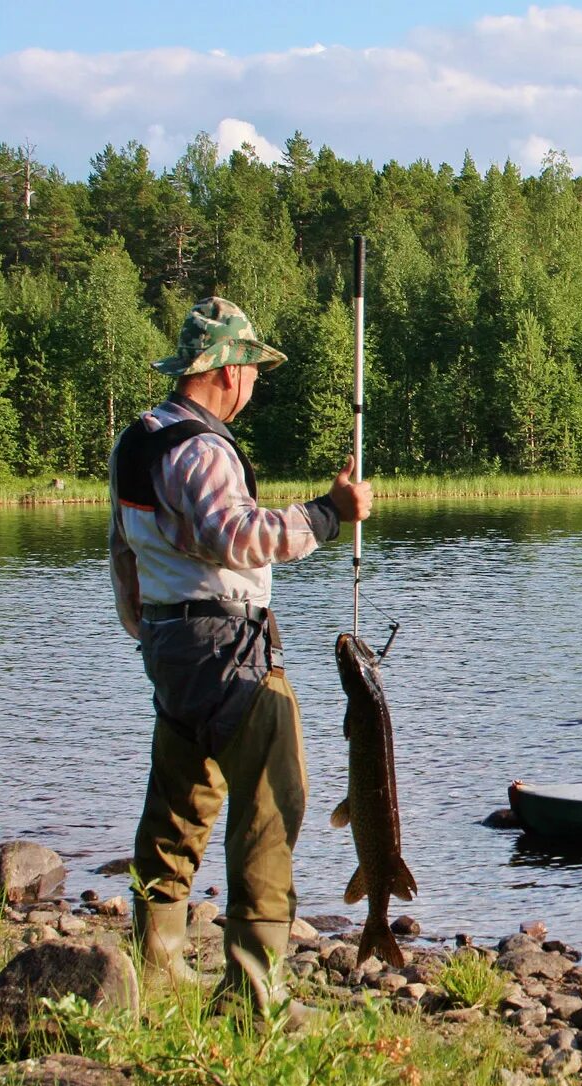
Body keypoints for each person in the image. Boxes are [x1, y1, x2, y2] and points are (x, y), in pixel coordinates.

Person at [109, 297, 371, 1011]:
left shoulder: (138, 438)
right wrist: (328, 512)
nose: (253, 382)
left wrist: (150, 635)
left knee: (178, 805)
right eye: (250, 367)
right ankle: (257, 995)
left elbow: (123, 555)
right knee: (271, 803)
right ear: (225, 370)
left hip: (170, 644)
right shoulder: (201, 446)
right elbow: (240, 535)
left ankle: (153, 961)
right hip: (227, 645)